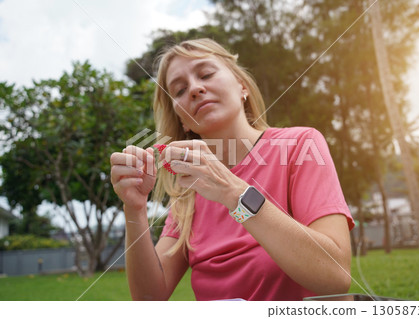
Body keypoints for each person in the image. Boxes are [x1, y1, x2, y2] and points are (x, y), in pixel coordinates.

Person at [110, 38, 354, 301]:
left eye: (206, 74)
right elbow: (149, 300)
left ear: (243, 87)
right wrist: (134, 208)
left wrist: (232, 191)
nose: (194, 89)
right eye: (179, 90)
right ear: (183, 120)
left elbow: (335, 276)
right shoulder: (188, 190)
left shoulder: (301, 145)